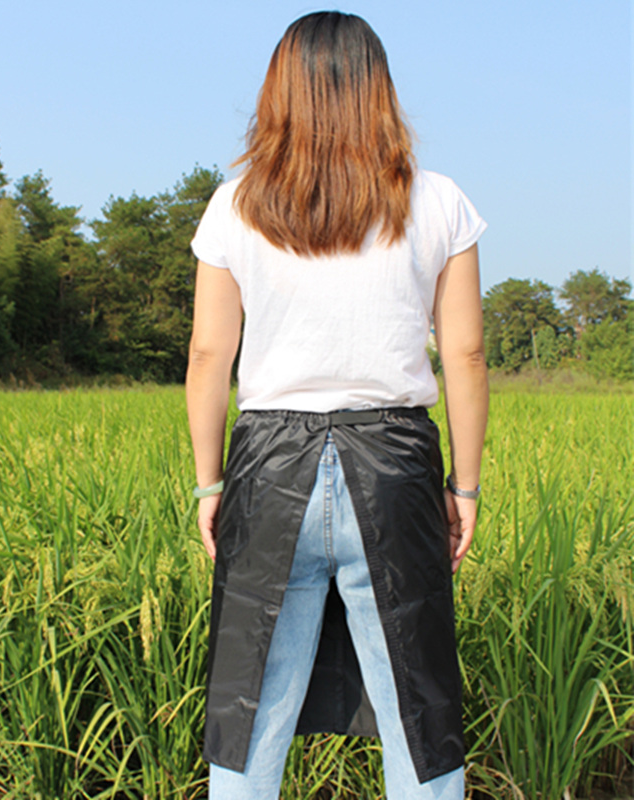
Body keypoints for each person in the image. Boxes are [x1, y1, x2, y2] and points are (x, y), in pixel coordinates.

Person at [185, 11, 488, 800]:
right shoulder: (441, 201)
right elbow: (464, 355)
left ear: (278, 93)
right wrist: (464, 488)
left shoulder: (235, 205)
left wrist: (209, 485)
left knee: (250, 709)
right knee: (419, 717)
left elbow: (210, 356)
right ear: (377, 91)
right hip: (394, 469)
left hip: (267, 469)